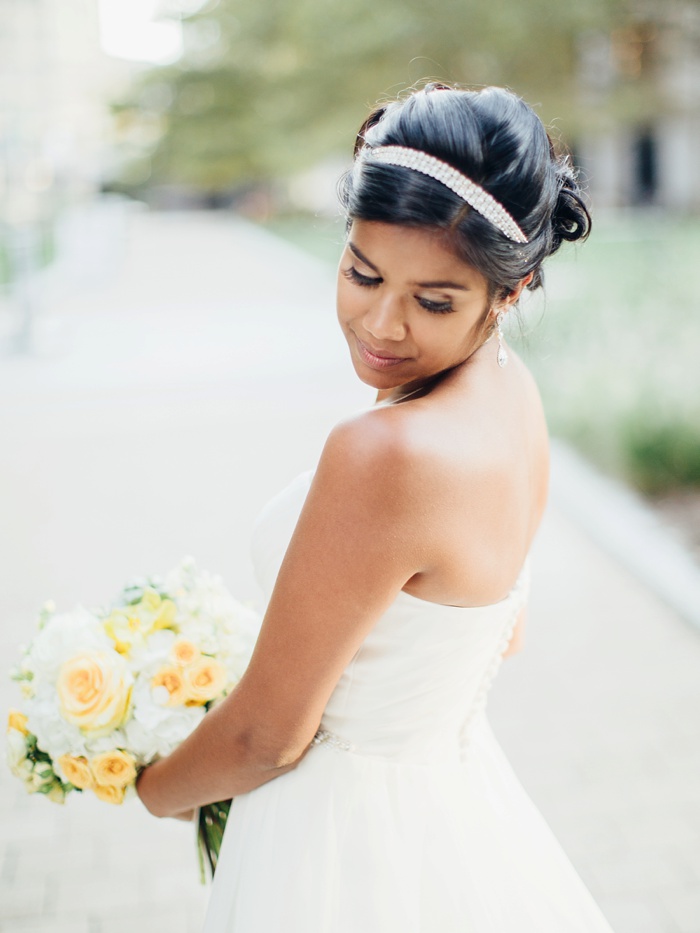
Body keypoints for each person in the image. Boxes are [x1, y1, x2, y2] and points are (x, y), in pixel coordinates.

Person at [137, 83, 615, 932]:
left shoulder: (381, 453)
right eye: (362, 272)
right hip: (455, 810)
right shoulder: (515, 395)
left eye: (435, 301)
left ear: (513, 288)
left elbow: (266, 737)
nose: (382, 324)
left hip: (337, 837)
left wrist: (150, 784)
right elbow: (505, 627)